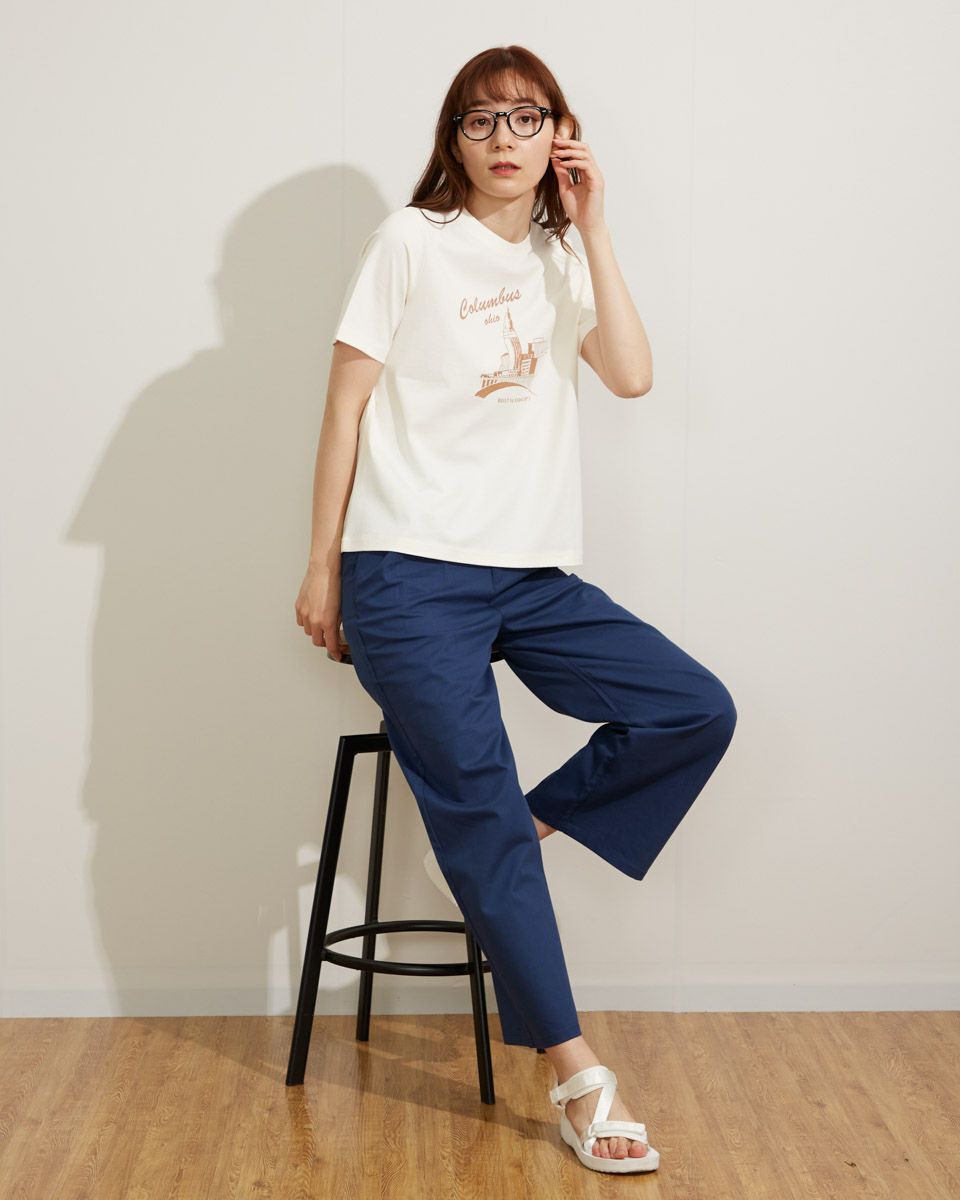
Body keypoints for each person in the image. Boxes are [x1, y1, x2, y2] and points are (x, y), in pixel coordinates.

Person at [295, 44, 737, 1176]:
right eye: (481, 120)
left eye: (527, 117)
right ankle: (578, 1074)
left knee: (694, 707)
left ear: (559, 135)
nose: (504, 138)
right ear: (453, 138)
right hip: (406, 573)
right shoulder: (410, 241)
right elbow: (345, 409)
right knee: (482, 819)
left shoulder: (561, 255)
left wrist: (594, 228)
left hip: (532, 576)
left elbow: (631, 376)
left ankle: (520, 821)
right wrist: (324, 568)